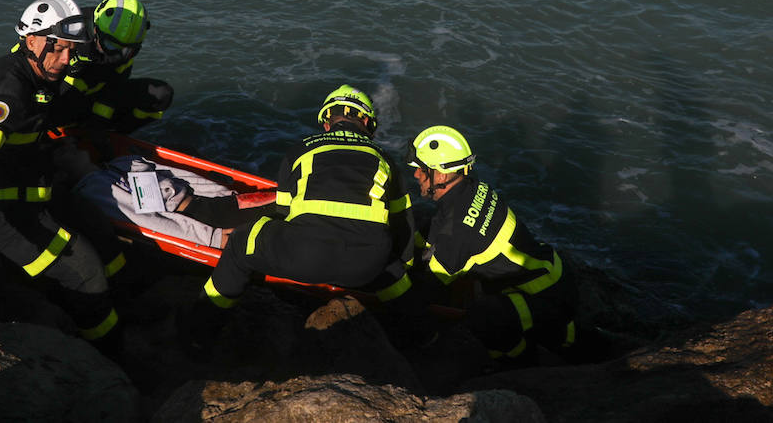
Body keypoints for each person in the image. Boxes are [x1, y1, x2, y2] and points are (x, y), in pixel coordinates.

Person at [0, 0, 128, 350]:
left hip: (35, 186)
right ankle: (108, 351)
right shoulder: (10, 92)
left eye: (71, 50)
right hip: (3, 210)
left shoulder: (29, 67)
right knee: (87, 272)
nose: (65, 59)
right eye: (57, 49)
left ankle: (127, 302)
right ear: (31, 40)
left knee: (104, 238)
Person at [196, 85, 417, 315]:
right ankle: (422, 335)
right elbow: (404, 225)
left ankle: (205, 321)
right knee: (391, 268)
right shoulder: (386, 159)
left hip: (305, 257)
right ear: (368, 124)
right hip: (364, 267)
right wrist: (405, 267)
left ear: (326, 123)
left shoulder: (301, 149)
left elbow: (282, 213)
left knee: (242, 240)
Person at [405, 124, 579, 361]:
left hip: (544, 299)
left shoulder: (456, 231)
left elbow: (429, 285)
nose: (416, 175)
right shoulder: (473, 187)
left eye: (422, 169)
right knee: (422, 223)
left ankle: (518, 361)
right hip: (551, 273)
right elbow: (441, 227)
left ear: (442, 175)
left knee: (483, 318)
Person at [54, 0, 175, 161]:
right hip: (59, 102)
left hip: (94, 98)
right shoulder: (65, 34)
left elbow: (114, 88)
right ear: (96, 29)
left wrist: (98, 125)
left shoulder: (124, 43)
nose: (118, 55)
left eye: (129, 49)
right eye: (111, 45)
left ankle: (116, 135)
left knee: (160, 94)